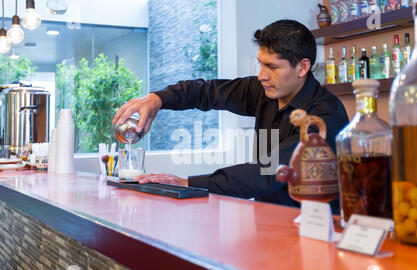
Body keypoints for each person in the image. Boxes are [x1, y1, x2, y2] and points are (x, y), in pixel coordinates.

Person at [113, 19, 349, 211]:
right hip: (269, 223)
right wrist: (158, 99)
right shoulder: (263, 92)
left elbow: (268, 172)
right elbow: (206, 92)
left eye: (272, 67)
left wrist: (188, 184)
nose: (261, 76)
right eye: (261, 64)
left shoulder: (326, 115)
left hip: (316, 230)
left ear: (302, 67)